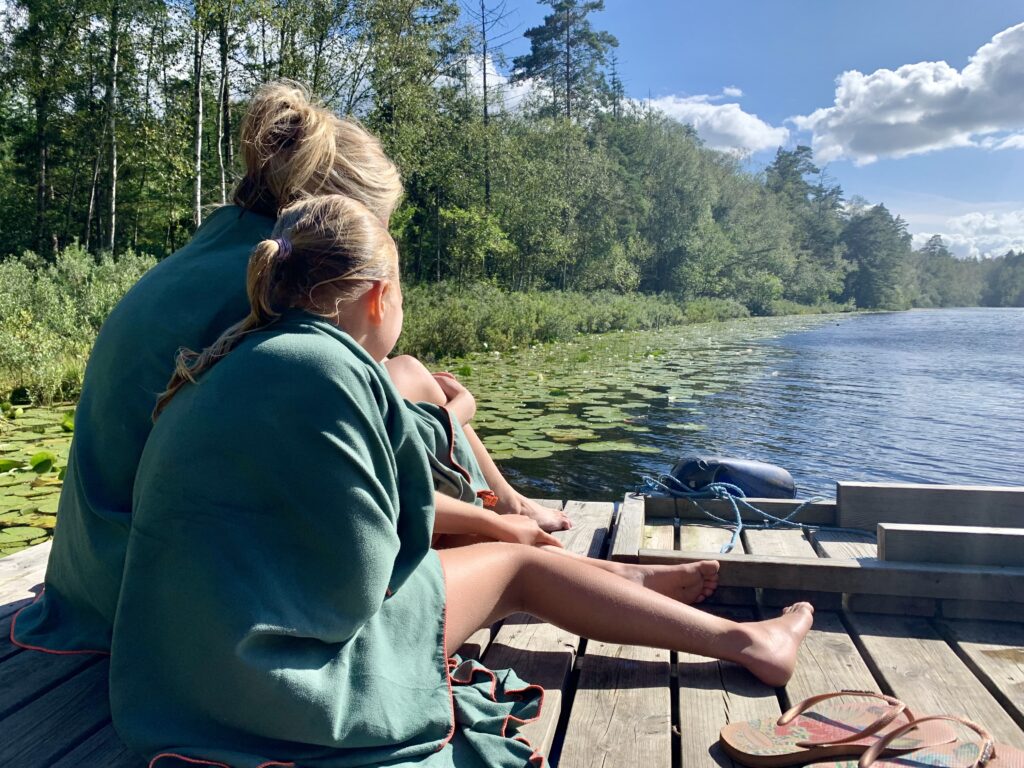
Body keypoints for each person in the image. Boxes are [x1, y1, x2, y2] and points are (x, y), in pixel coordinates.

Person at [110, 194, 814, 767]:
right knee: (514, 565)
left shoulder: (223, 358)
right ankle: (750, 644)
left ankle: (624, 585)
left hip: (171, 680)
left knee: (489, 555)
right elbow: (363, 582)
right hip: (277, 690)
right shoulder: (333, 369)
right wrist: (475, 530)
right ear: (380, 296)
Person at [12, 80, 562, 656]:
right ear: (336, 217)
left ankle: (507, 504)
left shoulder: (221, 253)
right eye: (378, 227)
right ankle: (501, 519)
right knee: (410, 388)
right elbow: (355, 457)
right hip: (153, 592)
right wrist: (457, 413)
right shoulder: (271, 294)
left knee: (406, 372)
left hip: (92, 571)